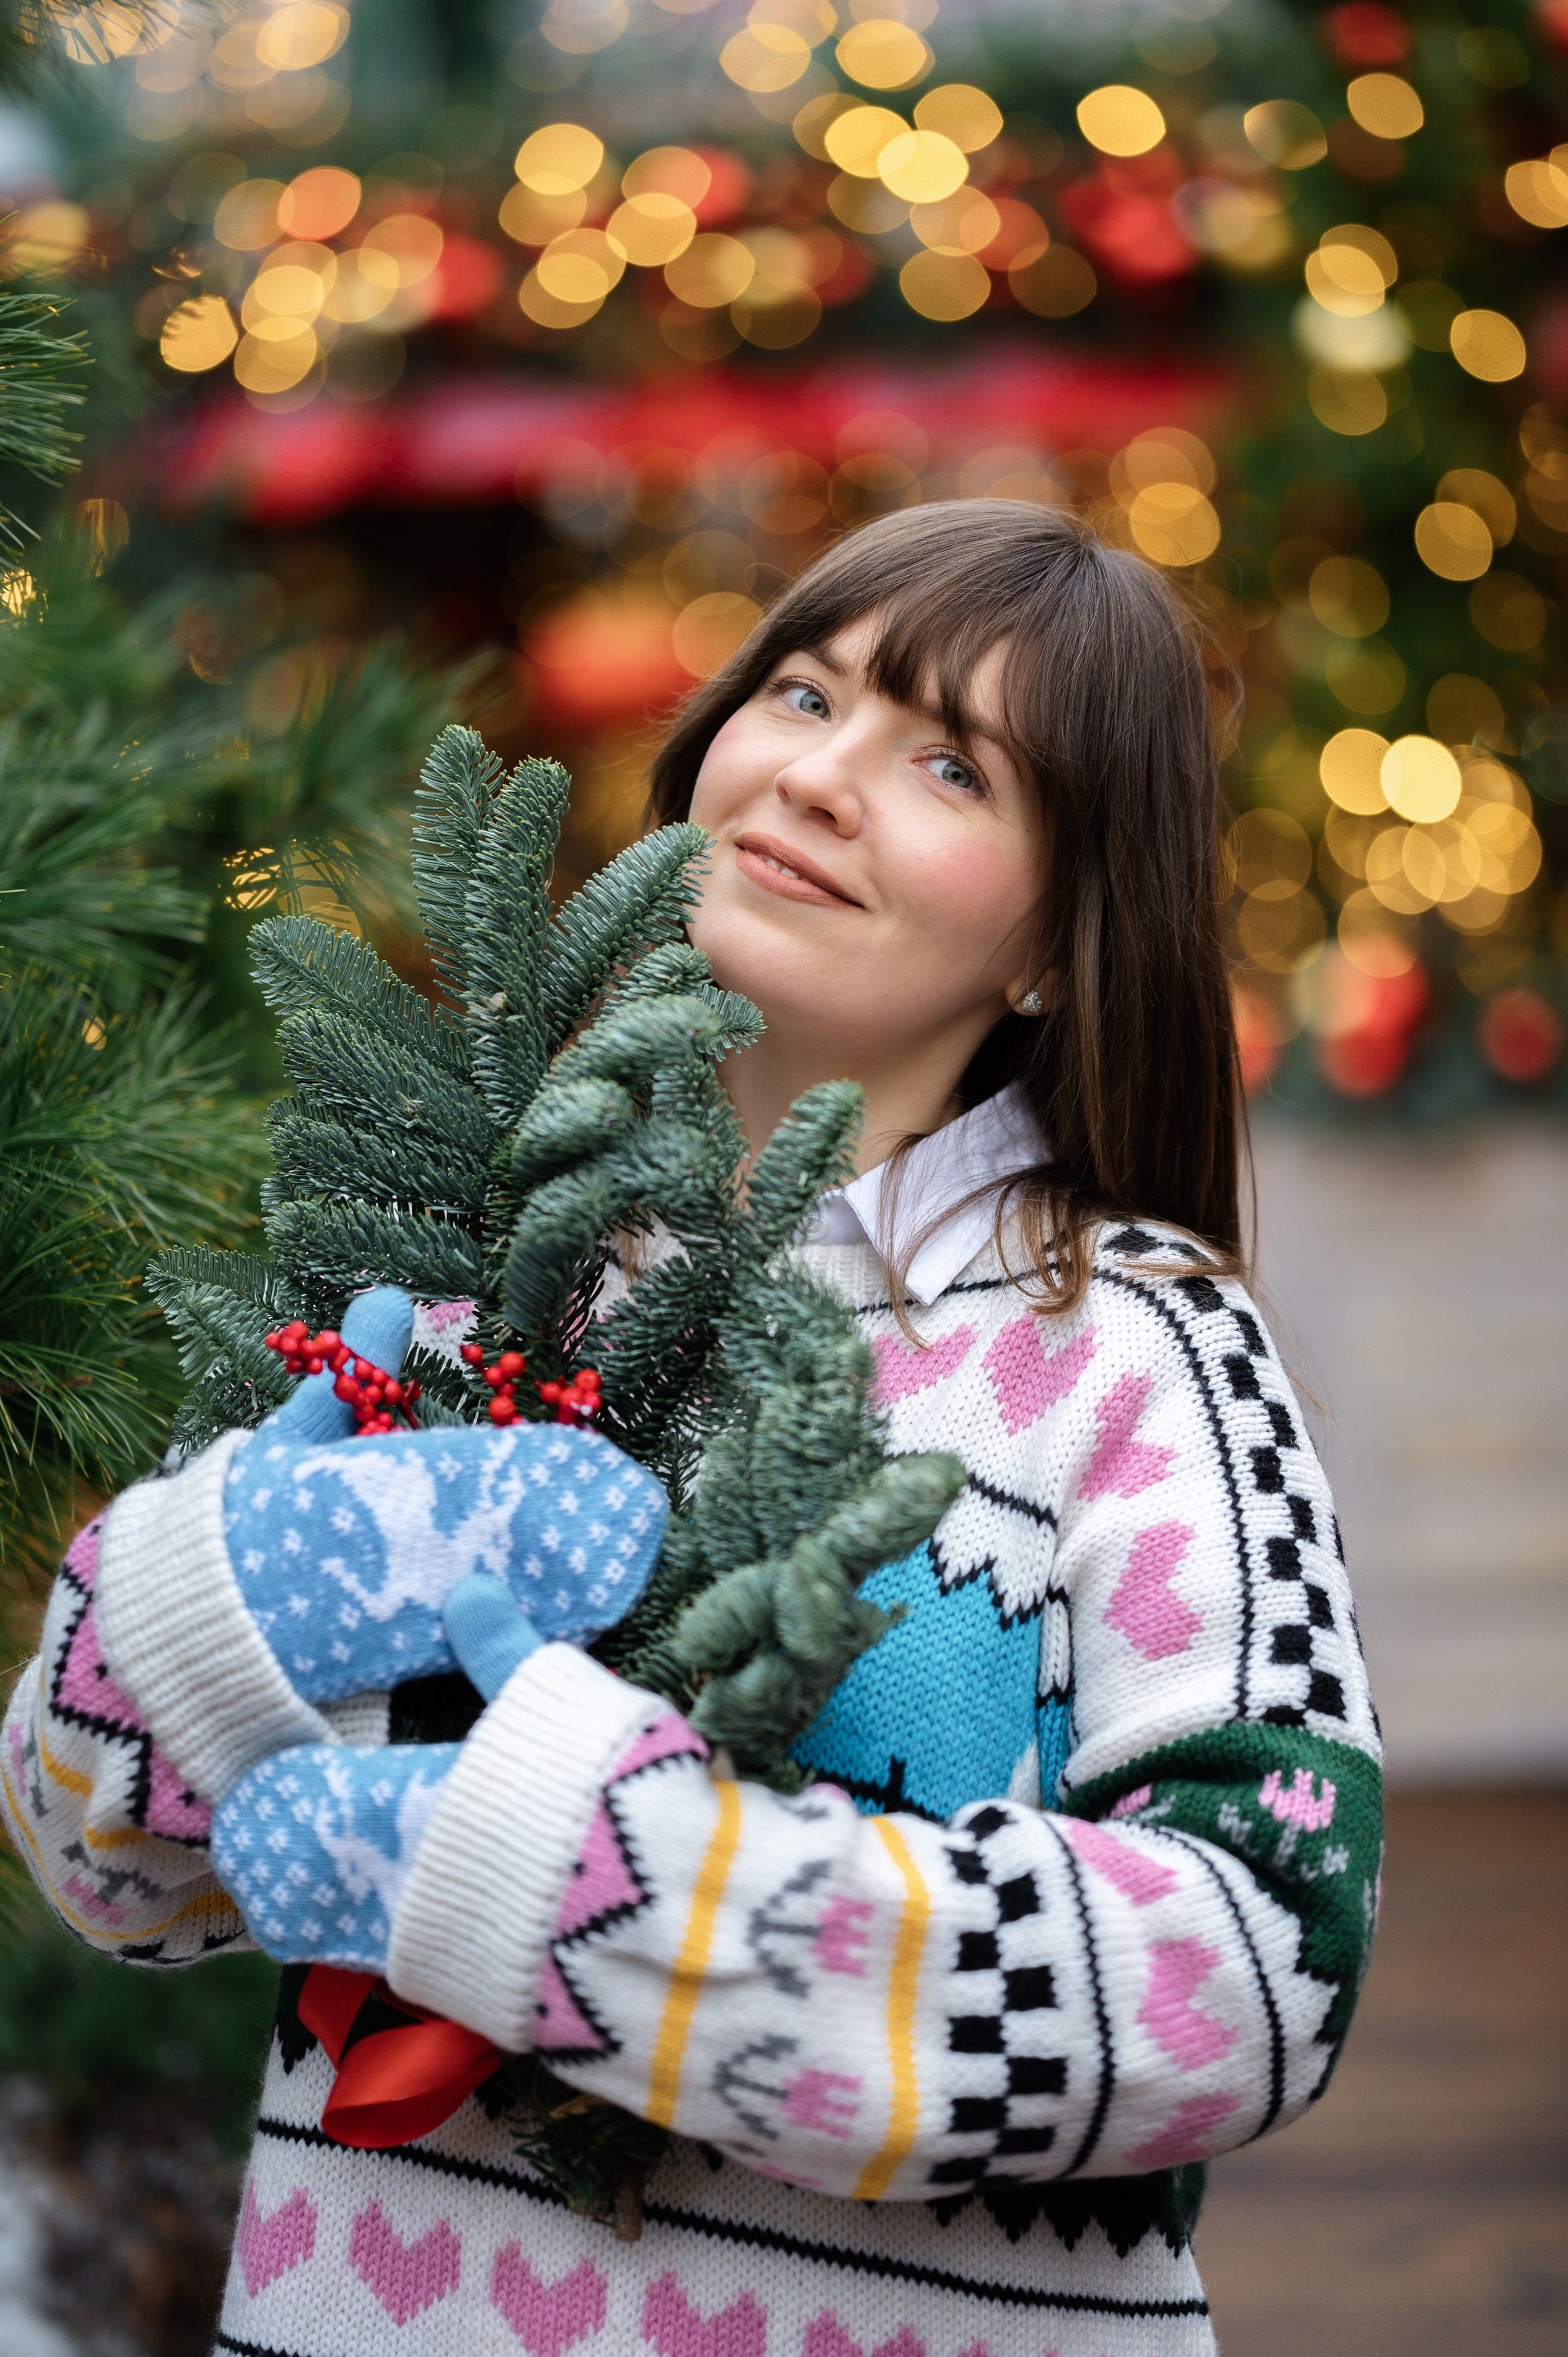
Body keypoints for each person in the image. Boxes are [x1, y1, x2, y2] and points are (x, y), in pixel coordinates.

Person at [2, 501, 1382, 2357]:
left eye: (950, 764)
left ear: (1060, 942)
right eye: (801, 691)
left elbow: (1264, 1959)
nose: (818, 777)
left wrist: (623, 1902)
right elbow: (115, 1883)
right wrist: (190, 1620)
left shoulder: (1139, 1350)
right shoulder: (481, 1270)